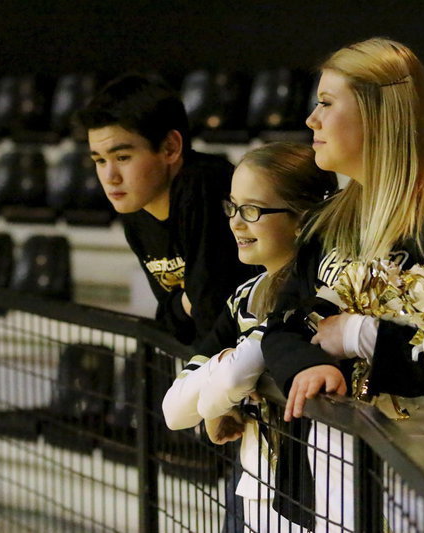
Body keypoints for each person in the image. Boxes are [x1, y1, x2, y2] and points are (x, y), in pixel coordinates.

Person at [261, 37, 424, 529]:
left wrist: (360, 336)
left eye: (326, 103)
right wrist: (306, 366)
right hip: (335, 452)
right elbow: (281, 324)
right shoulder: (327, 221)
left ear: (376, 112)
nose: (311, 120)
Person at [162, 142, 338, 533]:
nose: (236, 223)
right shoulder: (245, 294)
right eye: (233, 207)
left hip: (314, 495)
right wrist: (221, 396)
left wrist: (218, 397)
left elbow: (232, 374)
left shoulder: (326, 289)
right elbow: (174, 411)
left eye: (252, 210)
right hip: (256, 483)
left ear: (303, 219)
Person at [75, 73, 256, 345]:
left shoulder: (206, 185)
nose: (110, 176)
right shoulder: (134, 210)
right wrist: (186, 302)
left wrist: (186, 304)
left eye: (122, 157)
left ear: (170, 148)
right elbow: (171, 320)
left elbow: (212, 312)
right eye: (100, 161)